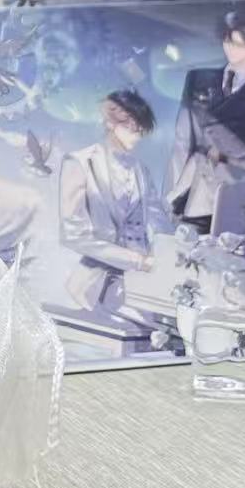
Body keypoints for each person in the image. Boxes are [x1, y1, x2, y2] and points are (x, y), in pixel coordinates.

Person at [166, 13, 245, 234]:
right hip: (190, 189)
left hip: (232, 192)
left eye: (239, 44)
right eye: (228, 42)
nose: (231, 49)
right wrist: (172, 191)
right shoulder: (198, 78)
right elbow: (182, 139)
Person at [59, 89, 169, 317]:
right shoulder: (79, 163)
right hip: (93, 286)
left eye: (141, 130)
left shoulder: (141, 170)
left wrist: (181, 248)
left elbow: (161, 223)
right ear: (110, 122)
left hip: (140, 285)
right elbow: (73, 235)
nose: (137, 136)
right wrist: (137, 261)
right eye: (131, 127)